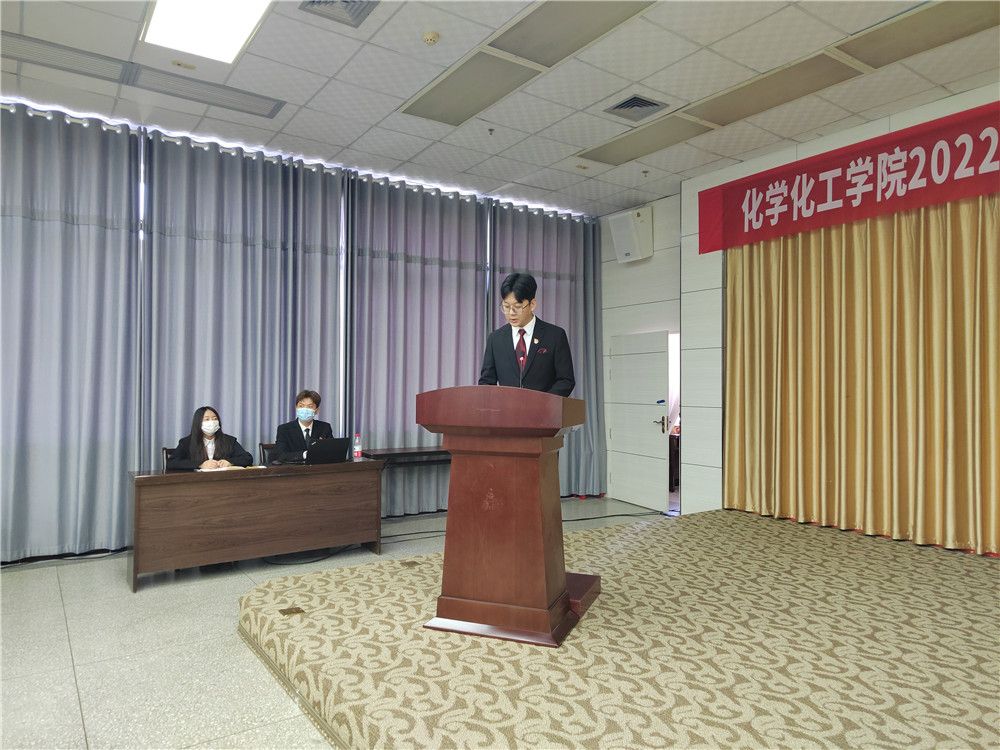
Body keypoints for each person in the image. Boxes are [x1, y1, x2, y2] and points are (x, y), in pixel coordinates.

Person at [478, 272, 575, 397]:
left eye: (517, 306)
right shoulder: (495, 339)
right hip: (507, 408)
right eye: (506, 306)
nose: (511, 313)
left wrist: (543, 403)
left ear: (532, 304)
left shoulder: (555, 336)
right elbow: (486, 382)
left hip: (544, 408)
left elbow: (566, 381)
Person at [167, 406, 253, 470]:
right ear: (198, 423)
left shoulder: (229, 440)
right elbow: (171, 463)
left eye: (215, 419)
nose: (212, 422)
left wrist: (230, 462)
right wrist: (200, 464)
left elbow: (247, 458)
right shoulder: (186, 442)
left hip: (224, 481)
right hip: (196, 483)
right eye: (207, 419)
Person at [274, 389, 333, 462]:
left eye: (310, 406)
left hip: (318, 468)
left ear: (317, 410)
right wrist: (305, 454)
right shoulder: (284, 429)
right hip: (295, 468)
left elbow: (332, 452)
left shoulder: (325, 427)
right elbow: (281, 455)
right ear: (296, 408)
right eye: (301, 406)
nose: (305, 409)